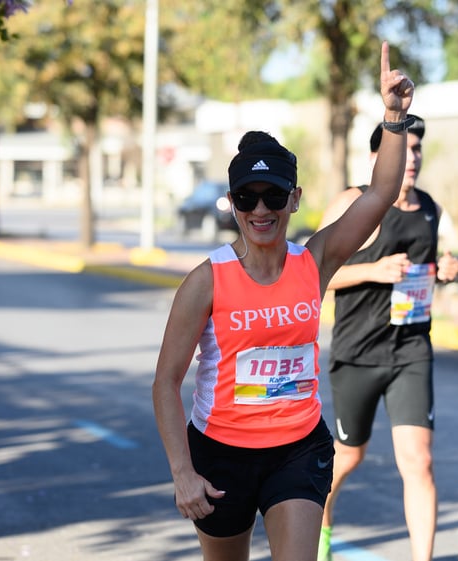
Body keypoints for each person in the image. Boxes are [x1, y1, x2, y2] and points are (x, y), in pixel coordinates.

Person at [151, 41, 415, 561]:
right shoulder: (206, 281)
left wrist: (393, 117)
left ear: (294, 199)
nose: (261, 209)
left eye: (274, 195)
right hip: (221, 454)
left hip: (298, 448)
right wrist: (183, 473)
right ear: (233, 205)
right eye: (247, 198)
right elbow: (165, 381)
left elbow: (381, 192)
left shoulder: (313, 261)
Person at [316, 114, 458, 561]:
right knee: (349, 456)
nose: (411, 158)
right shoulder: (353, 202)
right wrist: (372, 271)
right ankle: (318, 530)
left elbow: (423, 271)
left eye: (417, 149)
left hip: (412, 350)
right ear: (378, 156)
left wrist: (446, 272)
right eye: (403, 149)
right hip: (357, 353)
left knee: (419, 461)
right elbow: (313, 272)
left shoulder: (431, 209)